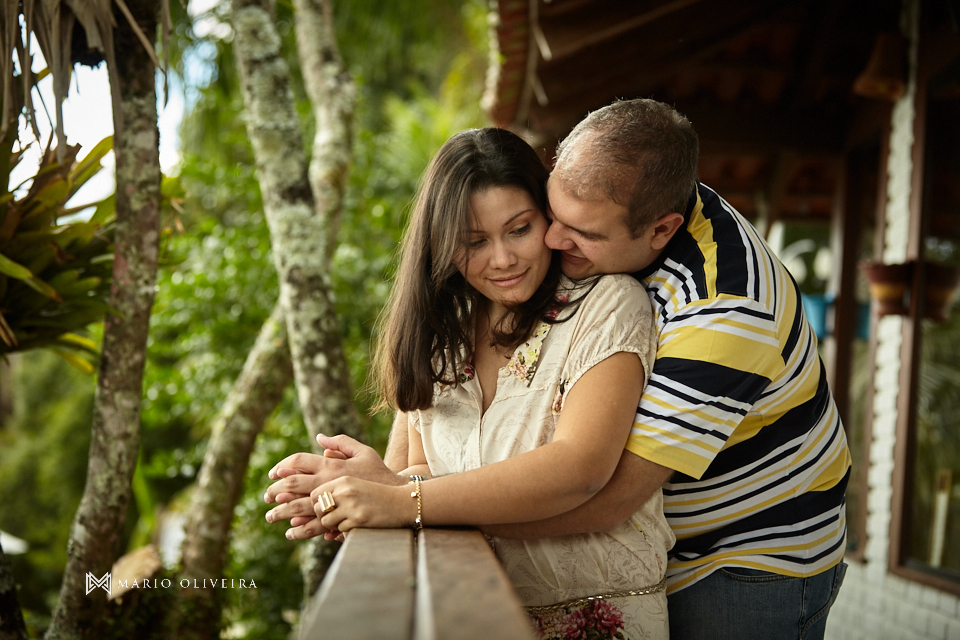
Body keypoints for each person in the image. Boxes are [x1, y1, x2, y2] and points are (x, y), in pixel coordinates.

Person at [268, 99, 852, 640]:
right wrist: (389, 487)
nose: (549, 238)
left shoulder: (724, 309)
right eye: (551, 211)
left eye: (574, 233)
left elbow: (600, 493)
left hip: (753, 546)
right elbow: (421, 445)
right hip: (652, 543)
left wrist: (405, 499)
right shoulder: (627, 194)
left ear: (661, 230)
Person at [267, 127, 673, 639]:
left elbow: (580, 467)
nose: (502, 259)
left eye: (519, 229)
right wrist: (365, 486)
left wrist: (397, 499)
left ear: (547, 217)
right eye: (474, 242)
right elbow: (416, 468)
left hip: (596, 620)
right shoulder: (443, 330)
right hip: (466, 614)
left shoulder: (608, 306)